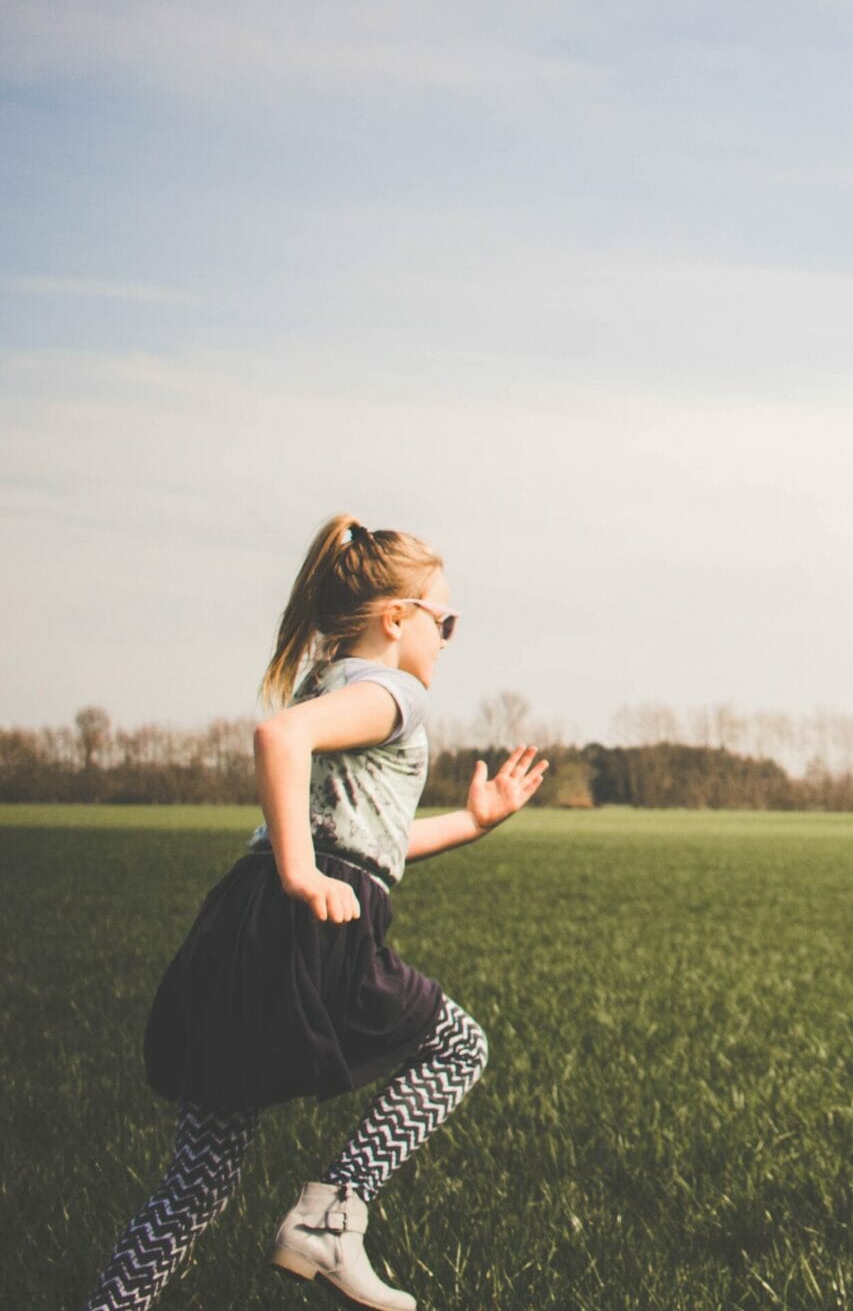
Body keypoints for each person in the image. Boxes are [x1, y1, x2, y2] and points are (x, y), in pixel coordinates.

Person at [84, 515, 548, 1311]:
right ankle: (333, 1214)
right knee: (458, 1048)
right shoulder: (392, 692)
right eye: (446, 620)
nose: (448, 637)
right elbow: (280, 740)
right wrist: (303, 876)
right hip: (315, 921)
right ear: (395, 617)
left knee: (198, 1178)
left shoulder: (327, 679)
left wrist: (472, 821)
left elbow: (366, 839)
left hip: (246, 919)